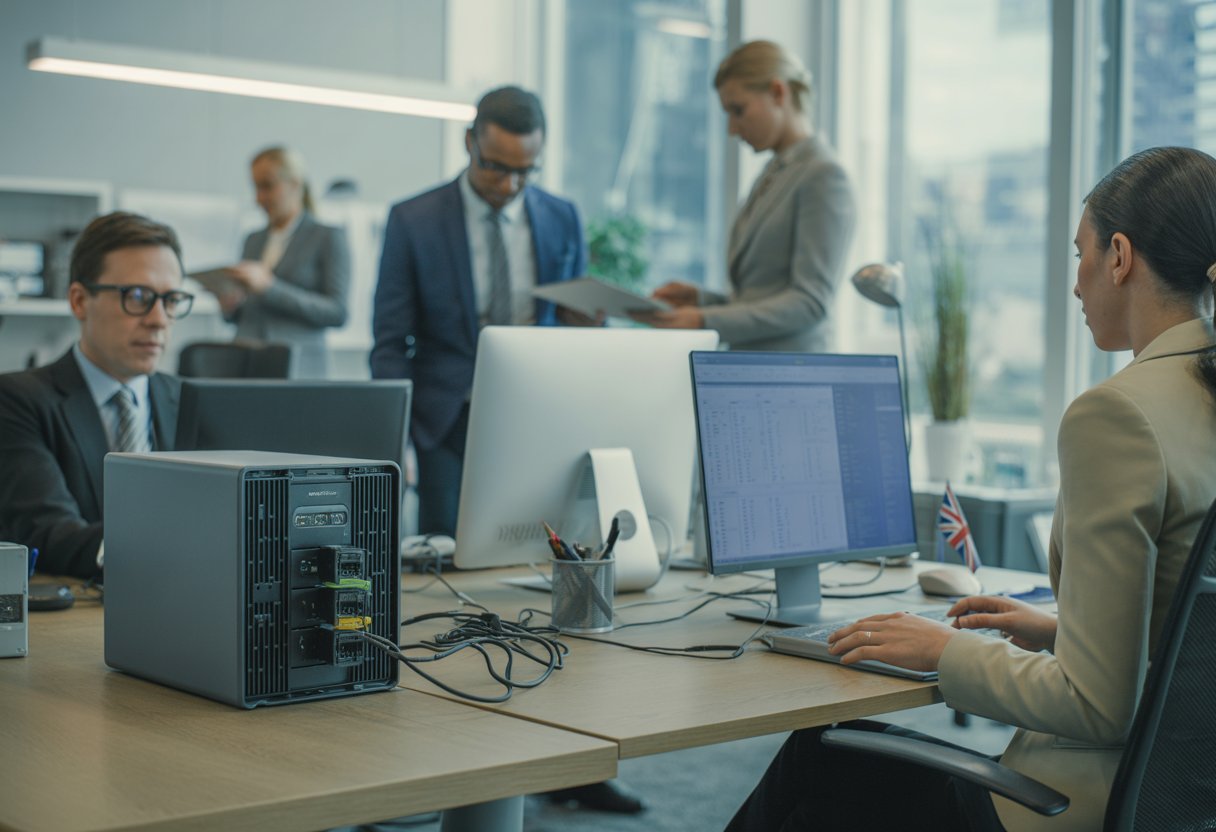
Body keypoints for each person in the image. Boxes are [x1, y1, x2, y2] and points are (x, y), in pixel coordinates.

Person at [725, 145, 1216, 831]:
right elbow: (1193, 635)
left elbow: (1096, 707)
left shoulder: (1120, 414)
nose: (1075, 285)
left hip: (1082, 807)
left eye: (1081, 256)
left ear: (1120, 257)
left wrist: (946, 650)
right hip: (1187, 801)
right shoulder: (1200, 394)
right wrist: (1060, 633)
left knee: (822, 756)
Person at [371, 85, 591, 539]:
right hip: (446, 420)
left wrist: (588, 322)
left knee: (539, 545)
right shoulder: (414, 220)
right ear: (470, 142)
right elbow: (391, 341)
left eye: (525, 172)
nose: (509, 185)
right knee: (449, 554)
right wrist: (396, 440)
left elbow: (574, 325)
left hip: (538, 413)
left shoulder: (562, 216)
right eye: (496, 168)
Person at [0, 212, 189, 578]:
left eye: (171, 299)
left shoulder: (188, 401)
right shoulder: (17, 400)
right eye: (138, 296)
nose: (159, 319)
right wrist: (170, 549)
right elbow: (45, 533)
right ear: (79, 301)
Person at [635, 40, 856, 351]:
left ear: (778, 93)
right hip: (756, 370)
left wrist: (704, 320)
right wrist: (702, 301)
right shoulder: (775, 173)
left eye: (738, 110)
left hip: (792, 377)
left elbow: (810, 303)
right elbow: (758, 299)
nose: (732, 129)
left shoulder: (823, 175)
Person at [220, 146, 351, 378]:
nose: (259, 198)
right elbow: (241, 314)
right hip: (246, 362)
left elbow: (337, 312)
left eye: (267, 186)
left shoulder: (327, 237)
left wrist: (270, 288)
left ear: (295, 185)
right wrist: (230, 304)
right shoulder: (252, 240)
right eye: (256, 187)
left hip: (298, 369)